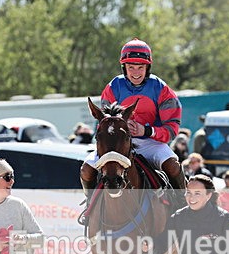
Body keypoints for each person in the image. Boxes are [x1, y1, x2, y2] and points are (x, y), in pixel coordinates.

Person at [80, 38, 186, 201]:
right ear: (124, 68)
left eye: (140, 67)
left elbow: (171, 131)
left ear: (147, 67)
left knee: (173, 166)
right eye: (131, 68)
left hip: (152, 143)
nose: (136, 73)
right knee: (86, 170)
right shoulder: (113, 87)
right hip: (117, 144)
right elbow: (106, 125)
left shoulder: (162, 89)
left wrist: (146, 130)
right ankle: (90, 204)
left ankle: (184, 207)